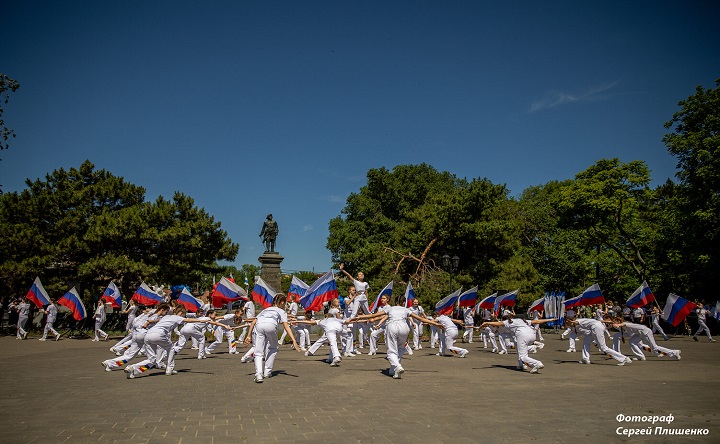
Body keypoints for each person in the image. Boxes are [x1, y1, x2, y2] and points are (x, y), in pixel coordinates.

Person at [125, 304, 229, 378]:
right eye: (182, 315)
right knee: (171, 349)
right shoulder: (176, 317)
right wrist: (200, 320)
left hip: (148, 336)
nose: (183, 317)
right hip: (159, 335)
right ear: (180, 313)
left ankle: (133, 368)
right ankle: (169, 369)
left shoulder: (167, 316)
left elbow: (156, 320)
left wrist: (148, 321)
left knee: (152, 360)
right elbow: (188, 320)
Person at [356, 295, 443, 379]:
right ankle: (393, 369)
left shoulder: (390, 309)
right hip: (404, 327)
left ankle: (397, 366)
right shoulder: (406, 310)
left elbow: (372, 316)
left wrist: (358, 317)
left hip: (392, 326)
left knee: (391, 351)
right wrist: (435, 323)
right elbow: (421, 319)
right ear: (403, 302)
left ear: (395, 301)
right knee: (400, 348)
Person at [244, 293, 300, 383]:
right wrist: (294, 340)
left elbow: (254, 321)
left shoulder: (265, 310)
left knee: (258, 352)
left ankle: (258, 374)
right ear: (282, 303)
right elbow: (286, 326)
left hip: (259, 325)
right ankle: (267, 372)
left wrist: (248, 335)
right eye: (285, 303)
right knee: (273, 348)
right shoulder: (281, 311)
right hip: (271, 325)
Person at [563, 317, 632, 366]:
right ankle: (585, 359)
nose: (568, 324)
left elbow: (577, 322)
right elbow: (600, 321)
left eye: (568, 323)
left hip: (596, 328)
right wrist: (609, 322)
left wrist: (573, 322)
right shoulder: (576, 325)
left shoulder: (578, 321)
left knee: (603, 348)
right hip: (594, 329)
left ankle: (624, 358)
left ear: (571, 320)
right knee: (586, 342)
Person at [612, 318, 681, 361]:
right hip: (640, 334)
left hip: (646, 332)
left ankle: (674, 352)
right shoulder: (624, 327)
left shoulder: (626, 323)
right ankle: (640, 356)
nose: (614, 324)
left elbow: (623, 324)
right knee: (632, 341)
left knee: (654, 348)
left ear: (618, 321)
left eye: (614, 322)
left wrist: (618, 325)